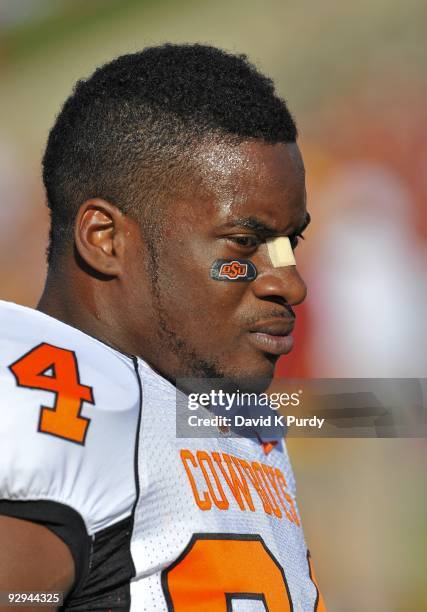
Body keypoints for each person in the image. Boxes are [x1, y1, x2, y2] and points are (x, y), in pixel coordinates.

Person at [0, 44, 324, 610]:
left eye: (289, 242)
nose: (289, 284)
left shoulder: (226, 408)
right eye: (245, 243)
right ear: (106, 238)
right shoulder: (48, 400)